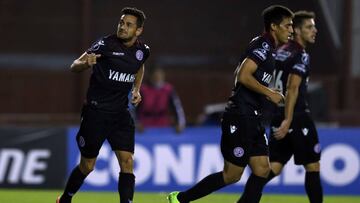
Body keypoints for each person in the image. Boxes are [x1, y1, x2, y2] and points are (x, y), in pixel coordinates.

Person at [167, 5, 293, 203]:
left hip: (254, 117)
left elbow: (240, 73)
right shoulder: (262, 45)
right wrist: (270, 93)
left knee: (262, 170)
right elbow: (242, 75)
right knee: (232, 175)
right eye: (288, 26)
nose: (291, 30)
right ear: (274, 26)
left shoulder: (270, 50)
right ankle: (180, 199)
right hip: (241, 116)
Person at [56, 7, 150, 203]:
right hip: (96, 113)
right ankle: (65, 198)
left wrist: (136, 89)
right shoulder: (105, 44)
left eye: (128, 25)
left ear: (138, 31)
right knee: (88, 166)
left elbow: (139, 66)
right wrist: (86, 63)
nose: (122, 27)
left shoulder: (142, 51)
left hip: (121, 114)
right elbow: (74, 66)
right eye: (121, 23)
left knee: (127, 162)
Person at [265, 11, 323, 203]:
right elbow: (292, 87)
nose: (314, 30)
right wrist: (288, 119)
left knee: (274, 166)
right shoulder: (301, 54)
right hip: (296, 116)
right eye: (309, 27)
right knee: (312, 166)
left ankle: (245, 199)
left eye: (314, 26)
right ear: (296, 30)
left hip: (277, 113)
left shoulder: (280, 51)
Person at [135, 67, 186, 133]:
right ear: (151, 77)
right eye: (155, 76)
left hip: (163, 125)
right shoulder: (142, 90)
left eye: (159, 76)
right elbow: (134, 108)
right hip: (145, 126)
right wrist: (136, 123)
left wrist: (180, 124)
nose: (157, 78)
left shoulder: (168, 90)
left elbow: (177, 108)